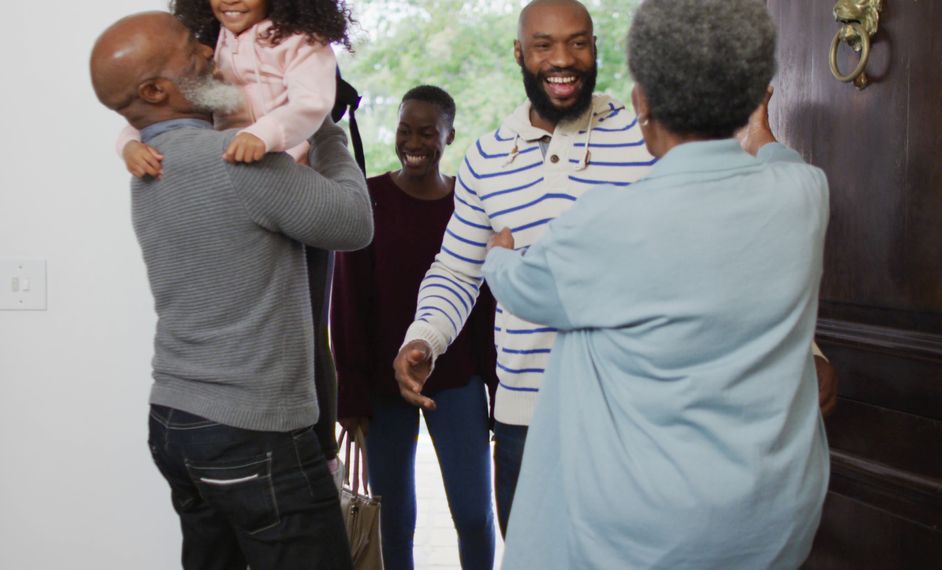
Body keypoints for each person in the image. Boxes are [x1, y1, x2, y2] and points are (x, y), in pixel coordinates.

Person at [481, 0, 830, 566]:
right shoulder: (805, 194)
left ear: (641, 104)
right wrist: (760, 133)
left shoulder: (606, 225)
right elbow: (780, 159)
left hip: (650, 533)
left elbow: (523, 288)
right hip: (777, 521)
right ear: (749, 98)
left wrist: (498, 255)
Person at [89, 11, 372, 568]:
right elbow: (354, 223)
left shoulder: (147, 170)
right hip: (253, 430)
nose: (207, 51)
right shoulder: (238, 164)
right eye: (188, 49)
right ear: (155, 89)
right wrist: (324, 130)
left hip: (174, 421)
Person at [391, 0, 656, 534]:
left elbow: (712, 248)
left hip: (627, 417)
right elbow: (458, 270)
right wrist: (426, 336)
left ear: (595, 49)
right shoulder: (488, 159)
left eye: (578, 43)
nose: (564, 59)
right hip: (523, 423)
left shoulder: (645, 139)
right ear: (519, 53)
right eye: (544, 45)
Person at [332, 85, 498, 570]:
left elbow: (485, 306)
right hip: (384, 388)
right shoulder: (370, 199)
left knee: (472, 513)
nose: (414, 142)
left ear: (450, 134)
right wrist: (353, 396)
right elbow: (348, 304)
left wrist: (495, 385)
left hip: (458, 382)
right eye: (405, 130)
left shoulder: (467, 206)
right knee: (395, 520)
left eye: (428, 132)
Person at [118, 0, 354, 177]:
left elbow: (311, 102)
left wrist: (262, 135)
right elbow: (163, 101)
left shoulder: (302, 40)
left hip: (293, 173)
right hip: (230, 178)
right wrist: (131, 143)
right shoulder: (205, 47)